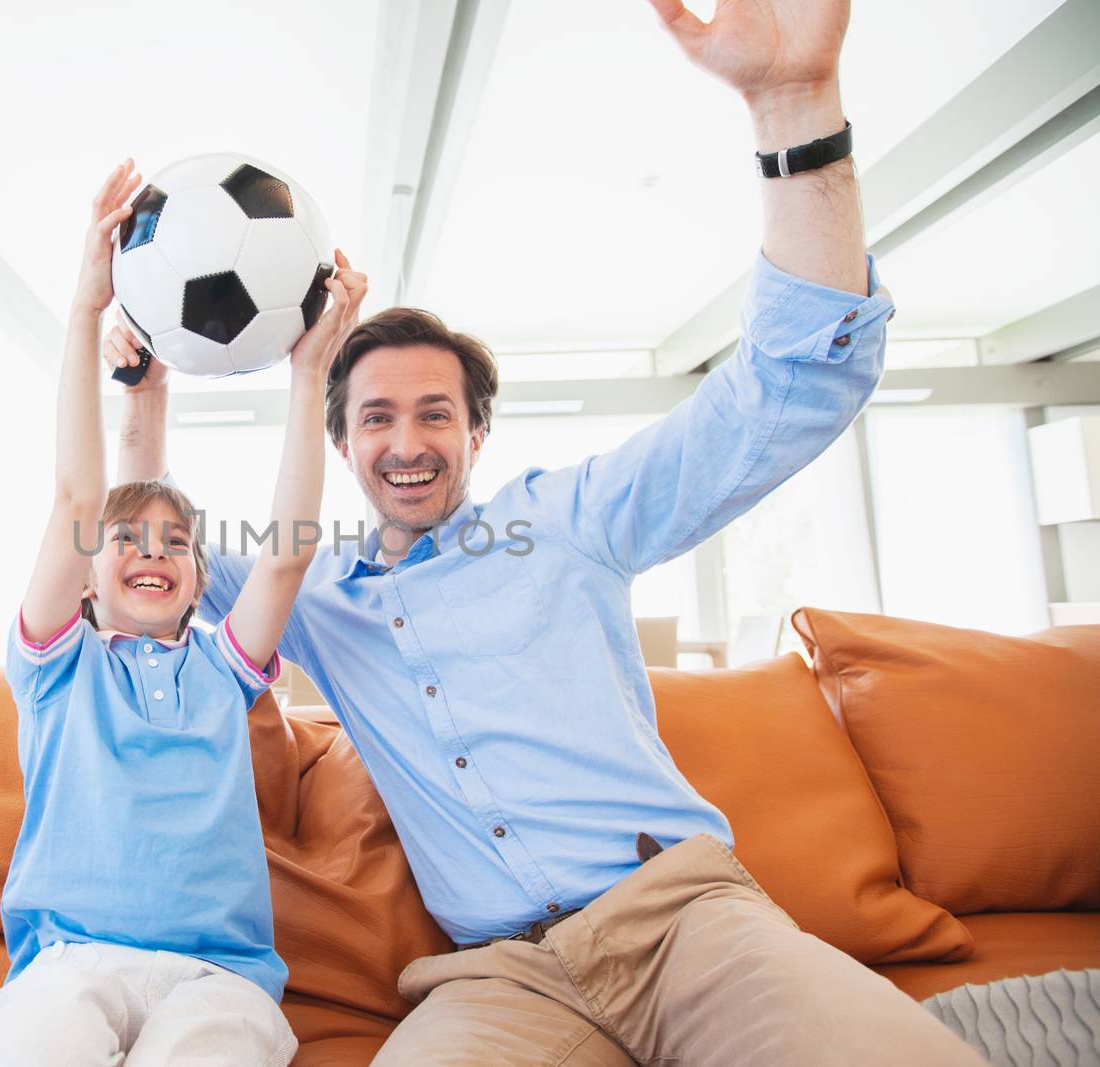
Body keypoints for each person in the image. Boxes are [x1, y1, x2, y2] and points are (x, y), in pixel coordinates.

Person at [102, 1, 986, 1062]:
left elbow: (787, 391)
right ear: (339, 444)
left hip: (685, 923)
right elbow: (150, 554)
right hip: (495, 976)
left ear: (477, 430)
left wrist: (792, 106)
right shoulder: (314, 592)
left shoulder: (568, 517)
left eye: (436, 412)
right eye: (375, 416)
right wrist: (138, 392)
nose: (407, 439)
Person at [0, 159, 368, 1066]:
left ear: (199, 587)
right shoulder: (54, 666)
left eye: (178, 543)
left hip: (217, 980)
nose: (153, 549)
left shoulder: (222, 672)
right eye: (128, 539)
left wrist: (312, 373)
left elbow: (288, 553)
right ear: (83, 579)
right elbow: (82, 494)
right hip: (68, 964)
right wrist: (82, 310)